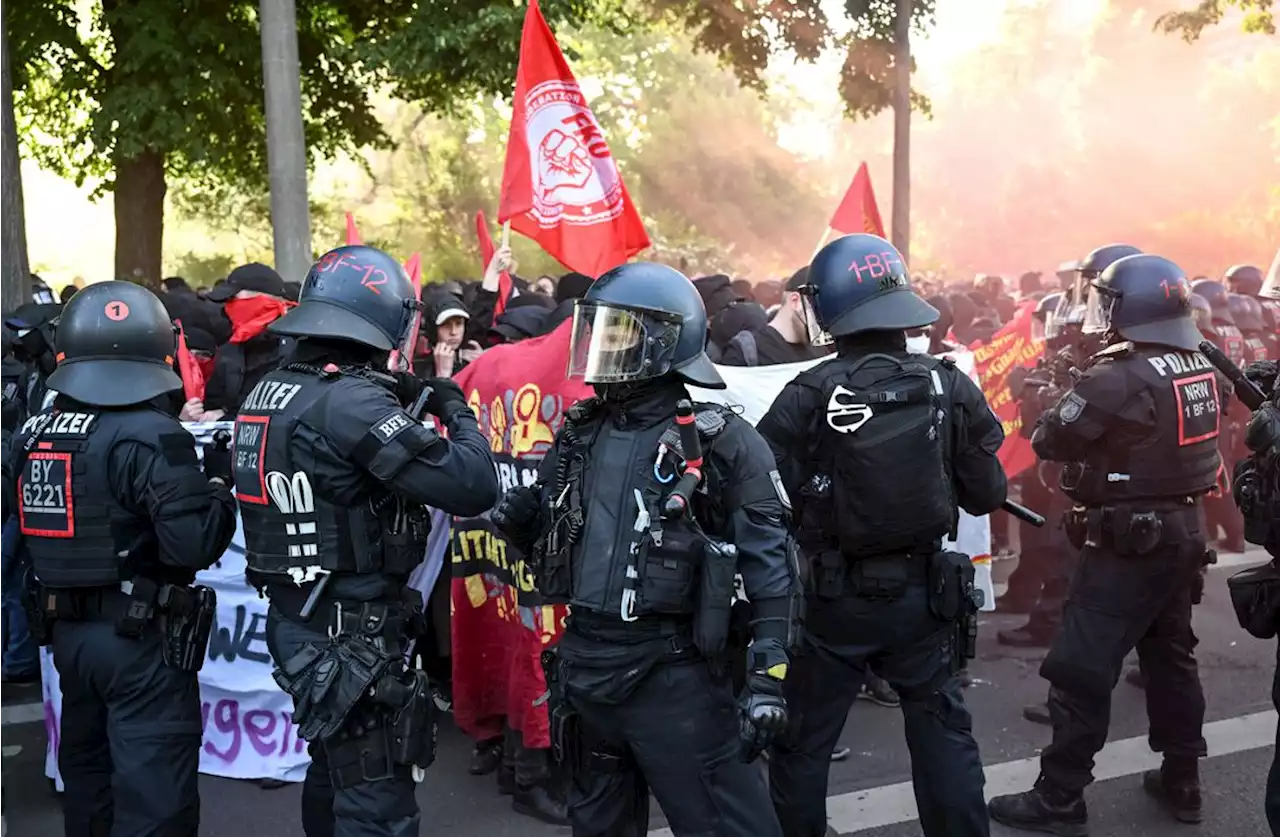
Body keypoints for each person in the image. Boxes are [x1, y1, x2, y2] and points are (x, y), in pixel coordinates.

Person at [490, 261, 802, 837]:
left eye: (618, 332)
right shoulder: (579, 432)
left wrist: (767, 677)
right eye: (599, 329)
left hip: (675, 680)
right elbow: (558, 554)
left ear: (664, 340)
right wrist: (524, 526)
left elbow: (774, 566)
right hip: (586, 674)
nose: (601, 345)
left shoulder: (720, 438)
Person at [237, 244, 499, 837]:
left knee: (334, 774)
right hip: (350, 631)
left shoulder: (271, 387)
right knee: (375, 803)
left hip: (301, 618)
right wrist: (456, 410)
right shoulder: (350, 400)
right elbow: (473, 484)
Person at [762, 233, 1007, 837]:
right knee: (943, 733)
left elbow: (765, 495)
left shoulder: (806, 394)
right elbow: (989, 494)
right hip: (925, 601)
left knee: (802, 746)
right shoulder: (949, 385)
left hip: (830, 606)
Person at [989, 254, 1216, 833]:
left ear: (1126, 307)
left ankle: (1060, 796)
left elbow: (1050, 438)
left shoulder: (1116, 376)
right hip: (1183, 531)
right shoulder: (1196, 364)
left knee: (1081, 668)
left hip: (1126, 542)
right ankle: (1182, 778)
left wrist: (1061, 387)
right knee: (1171, 658)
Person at [2, 281, 237, 835]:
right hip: (140, 640)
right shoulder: (152, 435)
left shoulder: (35, 432)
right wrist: (221, 488)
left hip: (68, 637)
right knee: (156, 796)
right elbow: (193, 545)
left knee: (89, 782)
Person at [198, 263, 294, 420]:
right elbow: (213, 401)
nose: (228, 308)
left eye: (233, 300)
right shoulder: (229, 350)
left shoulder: (300, 345)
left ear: (263, 299)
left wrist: (227, 416)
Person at [720, 267, 831, 367]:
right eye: (818, 311)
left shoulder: (820, 353)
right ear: (795, 301)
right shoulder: (745, 351)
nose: (823, 322)